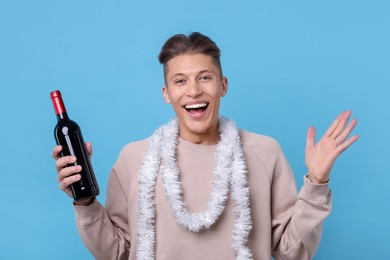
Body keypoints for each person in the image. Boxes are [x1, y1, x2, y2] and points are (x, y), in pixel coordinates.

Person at [52, 32, 358, 260]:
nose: (194, 90)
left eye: (205, 77)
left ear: (223, 85)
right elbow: (118, 252)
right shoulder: (135, 159)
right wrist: (84, 203)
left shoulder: (265, 152)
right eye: (180, 81)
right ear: (166, 93)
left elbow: (290, 252)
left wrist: (316, 182)